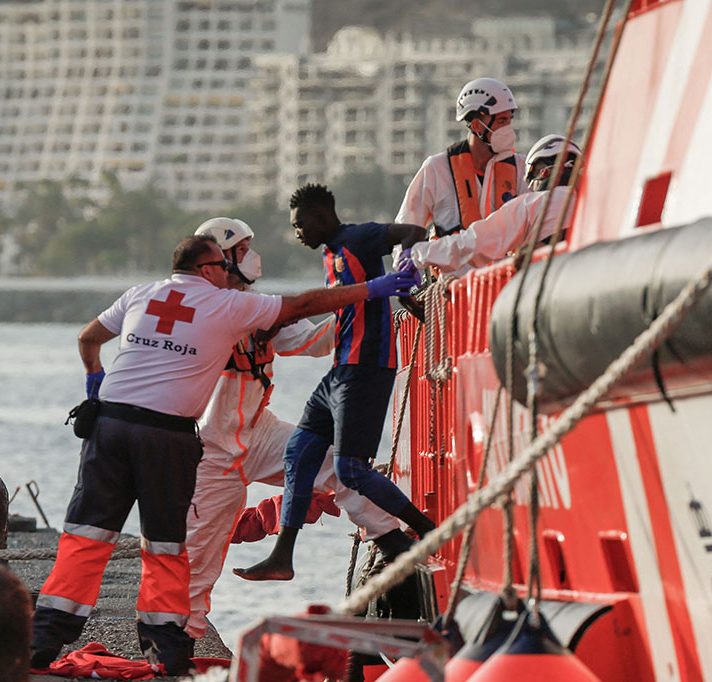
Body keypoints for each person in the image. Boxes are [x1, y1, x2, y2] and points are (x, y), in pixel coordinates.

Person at [30, 234, 417, 674]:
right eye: (239, 251)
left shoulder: (148, 294)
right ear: (214, 265)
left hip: (181, 429)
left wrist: (94, 381)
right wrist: (373, 289)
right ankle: (176, 646)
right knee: (174, 549)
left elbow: (311, 336)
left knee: (87, 534)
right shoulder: (228, 305)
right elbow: (301, 305)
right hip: (198, 445)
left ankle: (390, 536)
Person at [184, 217, 419, 639]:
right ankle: (182, 638)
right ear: (220, 259)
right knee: (198, 557)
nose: (251, 257)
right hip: (211, 450)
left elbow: (313, 340)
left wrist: (370, 309)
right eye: (242, 249)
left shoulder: (260, 307)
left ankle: (395, 546)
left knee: (336, 468)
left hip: (258, 433)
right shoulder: (199, 308)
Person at [234, 184, 434, 582]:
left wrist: (406, 271)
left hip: (367, 368)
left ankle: (427, 533)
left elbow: (413, 231)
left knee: (351, 470)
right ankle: (282, 557)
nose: (297, 233)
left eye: (300, 224)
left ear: (322, 218)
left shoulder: (357, 238)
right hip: (340, 372)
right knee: (299, 453)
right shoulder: (329, 255)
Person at [399, 134, 583, 278]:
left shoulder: (533, 204)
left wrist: (418, 254)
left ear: (542, 173)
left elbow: (476, 244)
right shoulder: (592, 206)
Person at [396, 77, 529, 237]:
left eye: (509, 120)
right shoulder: (436, 169)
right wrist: (407, 258)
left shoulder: (522, 169)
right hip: (451, 261)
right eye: (501, 120)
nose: (507, 128)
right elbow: (408, 222)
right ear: (476, 126)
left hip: (504, 262)